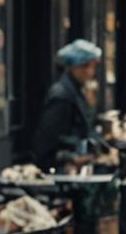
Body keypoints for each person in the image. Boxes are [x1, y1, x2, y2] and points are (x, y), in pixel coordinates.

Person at [31, 39, 104, 171]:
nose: (91, 72)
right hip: (62, 166)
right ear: (76, 67)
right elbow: (47, 139)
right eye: (87, 66)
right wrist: (68, 157)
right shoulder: (62, 94)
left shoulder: (77, 91)